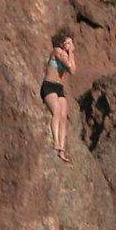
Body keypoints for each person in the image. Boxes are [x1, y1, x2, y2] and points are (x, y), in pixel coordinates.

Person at [40, 29, 76, 163]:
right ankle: (56, 141)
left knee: (63, 117)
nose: (70, 45)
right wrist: (70, 53)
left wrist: (71, 54)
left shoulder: (68, 55)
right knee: (56, 111)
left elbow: (72, 70)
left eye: (71, 43)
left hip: (59, 87)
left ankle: (62, 149)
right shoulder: (57, 51)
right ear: (61, 44)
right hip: (48, 85)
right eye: (67, 43)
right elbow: (67, 65)